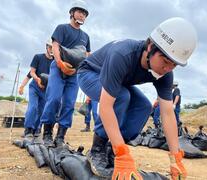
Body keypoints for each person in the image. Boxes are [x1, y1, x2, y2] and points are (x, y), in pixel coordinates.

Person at [77, 17, 197, 179]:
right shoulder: (123, 54)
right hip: (90, 73)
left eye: (174, 65)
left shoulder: (165, 74)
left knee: (144, 106)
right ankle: (97, 150)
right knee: (122, 97)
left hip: (119, 83)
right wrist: (122, 154)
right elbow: (105, 107)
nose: (168, 68)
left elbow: (168, 113)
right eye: (165, 61)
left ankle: (113, 148)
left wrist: (175, 157)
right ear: (150, 47)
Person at [40, 0, 91, 147]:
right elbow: (55, 46)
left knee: (69, 103)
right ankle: (48, 134)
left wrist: (84, 70)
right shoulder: (62, 28)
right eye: (80, 12)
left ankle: (60, 136)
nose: (82, 16)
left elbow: (87, 54)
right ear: (72, 13)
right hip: (58, 68)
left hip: (74, 73)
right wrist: (60, 64)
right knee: (54, 99)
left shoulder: (85, 36)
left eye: (85, 14)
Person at [23, 39, 53, 138]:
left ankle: (36, 129)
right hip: (35, 88)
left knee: (42, 110)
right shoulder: (38, 57)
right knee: (33, 107)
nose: (52, 49)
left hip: (45, 90)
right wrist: (22, 86)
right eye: (50, 47)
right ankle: (28, 130)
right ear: (46, 47)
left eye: (54, 47)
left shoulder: (55, 62)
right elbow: (31, 73)